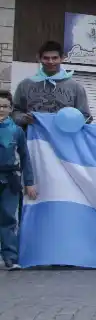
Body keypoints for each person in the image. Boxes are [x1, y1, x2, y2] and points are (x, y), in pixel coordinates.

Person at [13, 40, 91, 125]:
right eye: (46, 58)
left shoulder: (75, 87)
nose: (50, 61)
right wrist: (23, 118)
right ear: (39, 58)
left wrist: (70, 122)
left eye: (55, 58)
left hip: (63, 133)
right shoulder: (25, 85)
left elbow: (86, 116)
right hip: (33, 133)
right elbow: (14, 111)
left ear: (62, 58)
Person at [0, 91, 36, 269]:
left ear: (11, 109)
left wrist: (29, 182)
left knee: (9, 218)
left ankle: (10, 257)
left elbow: (25, 157)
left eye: (5, 106)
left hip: (11, 180)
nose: (1, 109)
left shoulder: (17, 131)